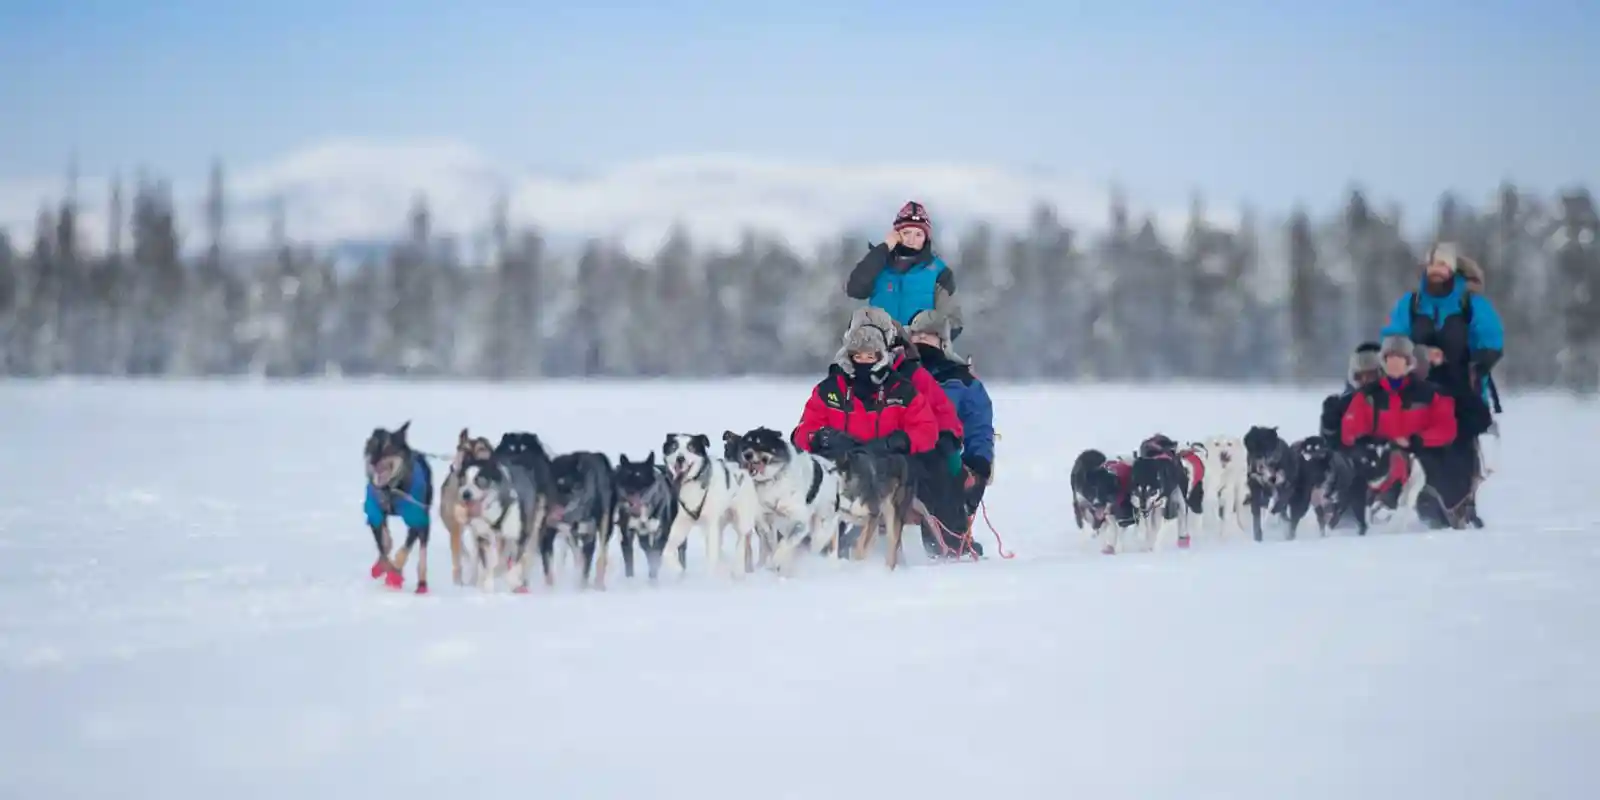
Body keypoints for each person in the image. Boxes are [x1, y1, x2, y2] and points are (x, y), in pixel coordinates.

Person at [791, 322, 977, 558]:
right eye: (858, 355)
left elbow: (927, 431)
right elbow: (802, 433)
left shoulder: (902, 390)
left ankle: (948, 546)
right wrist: (822, 437)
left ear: (882, 356)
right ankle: (806, 550)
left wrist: (898, 441)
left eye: (871, 355)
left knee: (934, 471)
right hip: (843, 466)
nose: (864, 361)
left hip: (890, 466)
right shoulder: (829, 390)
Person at [1380, 242, 1500, 523]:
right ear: (1426, 267)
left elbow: (1492, 341)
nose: (1438, 270)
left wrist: (1475, 365)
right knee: (1423, 446)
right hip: (1418, 389)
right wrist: (1419, 355)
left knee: (1461, 446)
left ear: (1453, 270)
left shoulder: (1471, 304)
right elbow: (1393, 339)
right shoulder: (1410, 304)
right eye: (1434, 264)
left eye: (1444, 265)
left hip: (1462, 390)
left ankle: (1461, 503)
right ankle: (1421, 497)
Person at [1340, 335, 1468, 529]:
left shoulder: (1430, 394)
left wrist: (1417, 440)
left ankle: (1436, 515)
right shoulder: (1368, 397)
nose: (1395, 365)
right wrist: (1366, 443)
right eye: (1390, 360)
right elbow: (1350, 428)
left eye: (1400, 360)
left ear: (1410, 363)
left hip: (1424, 457)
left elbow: (1446, 428)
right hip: (1382, 459)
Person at [906, 309, 995, 518]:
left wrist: (979, 465)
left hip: (946, 458)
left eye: (927, 335)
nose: (920, 340)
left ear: (943, 342)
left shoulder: (963, 381)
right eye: (916, 335)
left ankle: (949, 541)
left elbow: (978, 426)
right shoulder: (899, 375)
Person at [844, 200, 965, 335]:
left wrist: (928, 340)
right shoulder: (879, 264)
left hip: (921, 349)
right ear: (896, 234)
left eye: (918, 234)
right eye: (906, 233)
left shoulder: (939, 272)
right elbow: (855, 289)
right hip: (880, 349)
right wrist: (883, 249)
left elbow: (953, 322)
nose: (911, 240)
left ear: (926, 238)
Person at [1320, 342, 1383, 441]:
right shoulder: (1344, 405)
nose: (1365, 381)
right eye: (1359, 376)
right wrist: (1329, 427)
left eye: (1371, 375)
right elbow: (1331, 448)